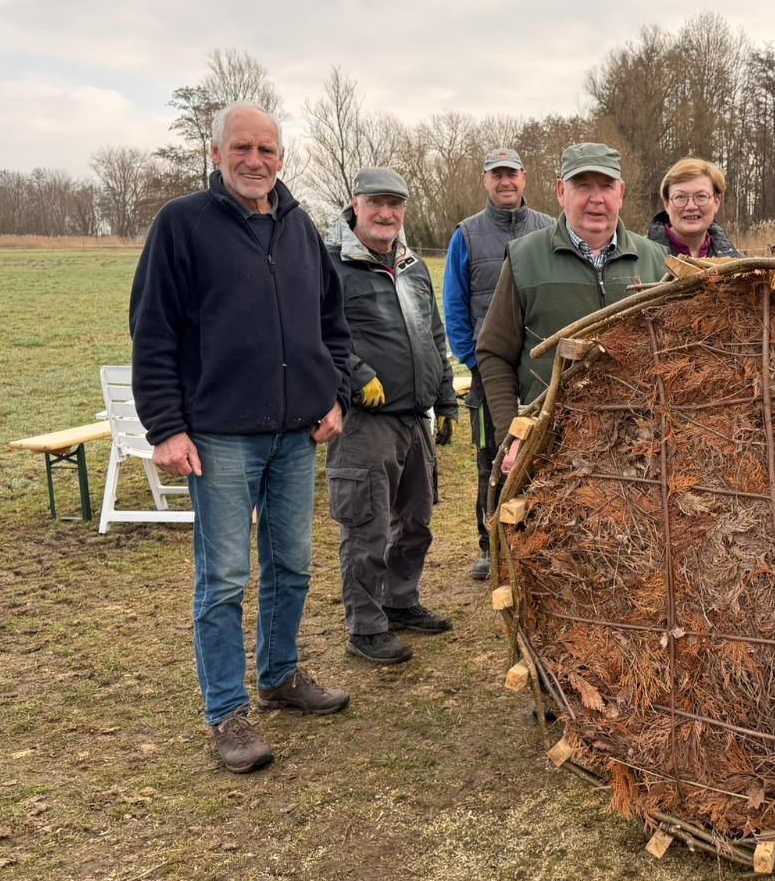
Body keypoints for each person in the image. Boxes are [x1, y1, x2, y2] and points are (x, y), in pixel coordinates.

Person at [129, 103, 352, 774]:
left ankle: (279, 675)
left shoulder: (301, 228)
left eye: (266, 149)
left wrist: (335, 394)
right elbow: (153, 331)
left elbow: (332, 323)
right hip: (220, 436)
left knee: (292, 565)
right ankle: (227, 711)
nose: (255, 161)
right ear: (217, 153)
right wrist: (166, 427)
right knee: (224, 576)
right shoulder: (183, 225)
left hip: (295, 434)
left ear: (282, 157)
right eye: (242, 148)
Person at [329, 167, 461, 665]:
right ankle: (365, 627)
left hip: (414, 416)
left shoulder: (413, 266)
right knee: (366, 527)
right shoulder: (332, 265)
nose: (386, 213)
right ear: (356, 204)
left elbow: (433, 334)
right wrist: (356, 374)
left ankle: (400, 601)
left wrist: (444, 399)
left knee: (416, 520)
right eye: (376, 203)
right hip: (367, 422)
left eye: (395, 204)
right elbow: (317, 333)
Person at [476, 143, 668, 475]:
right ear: (561, 192)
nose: (597, 199)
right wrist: (513, 433)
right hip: (552, 451)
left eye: (606, 186)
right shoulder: (525, 258)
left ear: (621, 193)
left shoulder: (655, 261)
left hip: (638, 451)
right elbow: (494, 353)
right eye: (583, 186)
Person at [443, 148, 551, 581]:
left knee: (546, 454)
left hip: (540, 372)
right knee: (493, 460)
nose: (505, 182)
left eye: (511, 174)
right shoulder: (466, 235)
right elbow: (454, 306)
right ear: (485, 180)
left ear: (524, 177)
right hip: (490, 375)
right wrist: (477, 361)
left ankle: (542, 540)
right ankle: (491, 545)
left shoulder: (548, 228)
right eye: (496, 175)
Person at [646, 157, 742, 258]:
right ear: (667, 205)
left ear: (716, 202)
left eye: (701, 196)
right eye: (680, 197)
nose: (691, 206)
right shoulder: (641, 259)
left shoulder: (742, 265)